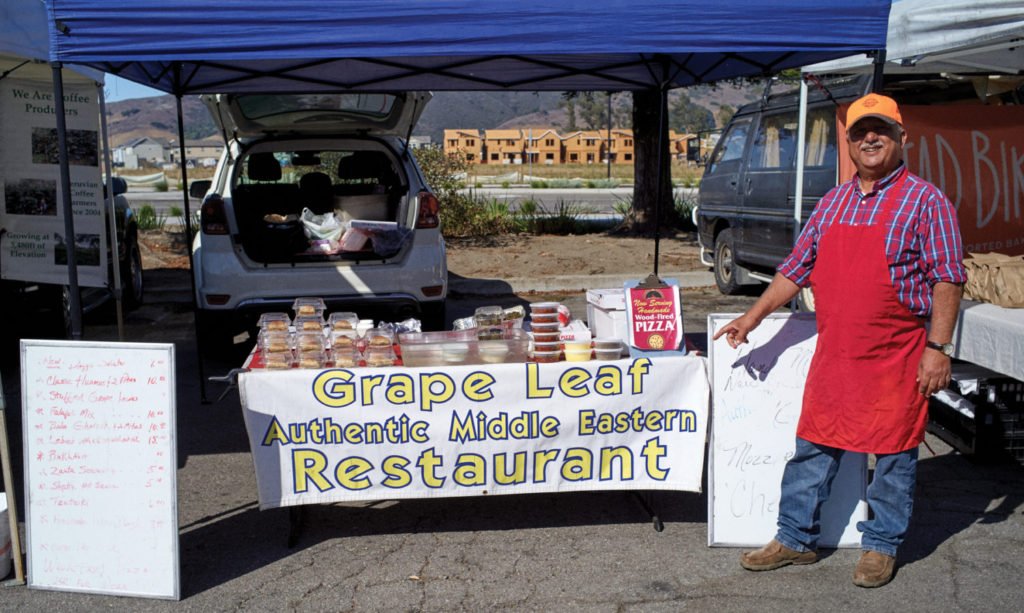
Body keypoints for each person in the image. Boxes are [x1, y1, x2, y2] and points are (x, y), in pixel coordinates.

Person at [712, 93, 966, 588]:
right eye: (860, 131)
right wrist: (752, 317)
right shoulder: (832, 202)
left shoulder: (926, 201)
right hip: (838, 355)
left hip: (898, 354)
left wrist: (938, 349)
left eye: (881, 130)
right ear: (848, 142)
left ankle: (881, 546)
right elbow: (794, 270)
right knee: (813, 447)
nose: (870, 138)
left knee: (893, 456)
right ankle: (794, 538)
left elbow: (948, 280)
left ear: (901, 138)